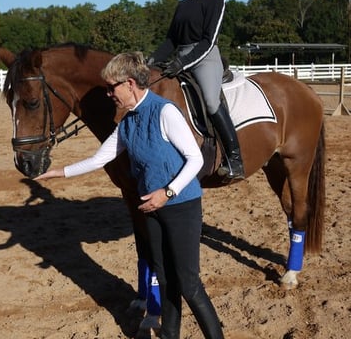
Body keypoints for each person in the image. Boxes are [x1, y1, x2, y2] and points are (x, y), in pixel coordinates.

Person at [34, 52, 224, 338]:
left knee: (187, 282)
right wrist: (60, 172)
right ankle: (170, 334)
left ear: (131, 83)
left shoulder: (165, 111)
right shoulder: (128, 121)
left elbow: (195, 159)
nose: (109, 93)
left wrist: (167, 192)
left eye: (112, 87)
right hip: (151, 207)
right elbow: (100, 158)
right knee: (164, 275)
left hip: (181, 205)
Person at [148, 0, 244, 179]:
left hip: (204, 59)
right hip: (180, 56)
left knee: (211, 101)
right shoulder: (182, 5)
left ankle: (235, 159)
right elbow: (170, 41)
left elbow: (208, 41)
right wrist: (149, 63)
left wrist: (183, 63)